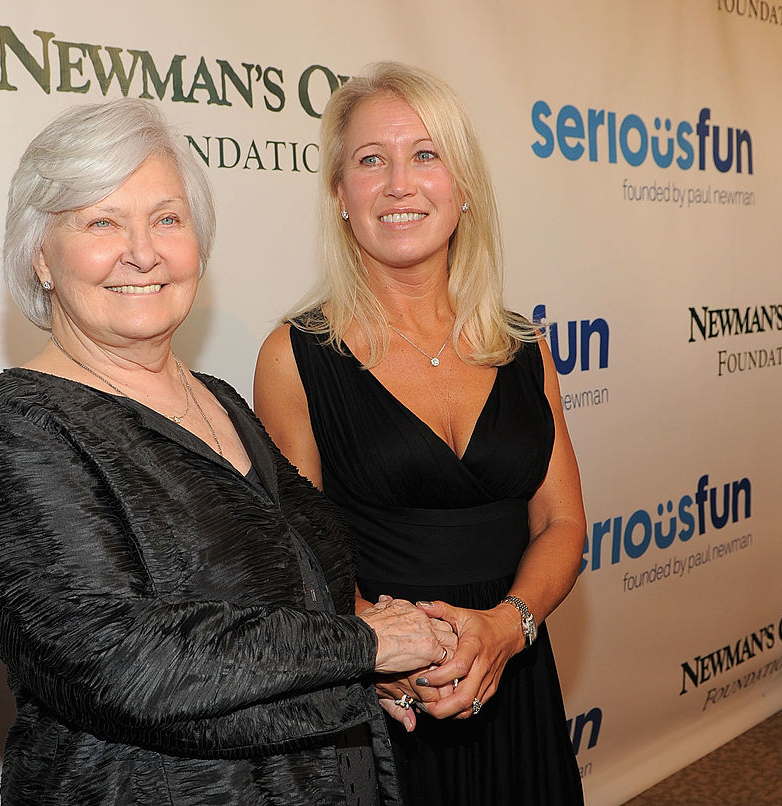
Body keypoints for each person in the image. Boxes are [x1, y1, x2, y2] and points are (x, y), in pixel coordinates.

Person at [0, 99, 457, 806]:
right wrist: (364, 649)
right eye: (101, 222)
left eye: (167, 218)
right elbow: (117, 660)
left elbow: (300, 596)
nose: (144, 251)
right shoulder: (19, 426)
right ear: (40, 255)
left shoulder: (219, 398)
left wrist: (362, 671)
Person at [254, 62, 586, 805]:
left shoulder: (522, 346)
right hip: (382, 703)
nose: (400, 183)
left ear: (464, 187)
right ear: (340, 196)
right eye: (372, 160)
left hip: (516, 675)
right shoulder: (294, 357)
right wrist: (385, 652)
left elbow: (563, 521)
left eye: (426, 155)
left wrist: (507, 628)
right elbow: (297, 558)